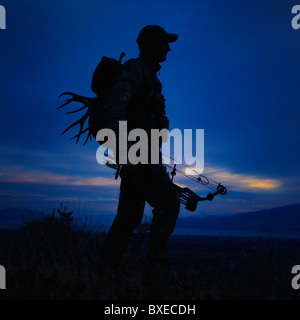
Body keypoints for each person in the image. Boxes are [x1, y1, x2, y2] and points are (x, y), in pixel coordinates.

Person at [101, 25, 180, 289]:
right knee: (168, 204)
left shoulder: (149, 75)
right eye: (163, 43)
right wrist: (127, 151)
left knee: (129, 216)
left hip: (142, 154)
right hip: (139, 154)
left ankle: (105, 273)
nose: (168, 48)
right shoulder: (135, 70)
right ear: (149, 44)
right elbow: (114, 108)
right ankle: (155, 276)